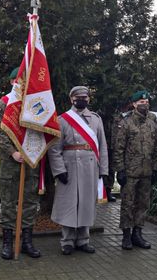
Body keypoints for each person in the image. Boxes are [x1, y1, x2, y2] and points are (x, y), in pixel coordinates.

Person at [47, 86, 109, 255]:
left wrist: (104, 170)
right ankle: (67, 240)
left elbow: (102, 146)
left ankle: (83, 240)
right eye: (78, 97)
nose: (81, 99)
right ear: (71, 99)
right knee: (69, 203)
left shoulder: (96, 120)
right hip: (69, 167)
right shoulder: (62, 120)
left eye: (85, 97)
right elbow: (54, 148)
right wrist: (59, 170)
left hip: (90, 167)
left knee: (87, 204)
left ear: (89, 99)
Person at [0, 68, 41, 260]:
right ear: (11, 82)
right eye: (16, 81)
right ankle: (7, 243)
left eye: (23, 81)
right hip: (10, 160)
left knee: (29, 201)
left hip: (30, 159)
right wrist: (12, 152)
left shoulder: (35, 104)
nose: (19, 85)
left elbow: (41, 127)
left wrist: (31, 151)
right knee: (9, 202)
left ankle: (27, 242)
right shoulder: (4, 103)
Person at [114, 90, 157, 250]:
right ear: (134, 104)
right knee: (128, 204)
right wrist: (120, 170)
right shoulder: (126, 123)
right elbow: (118, 148)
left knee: (143, 204)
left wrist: (156, 169)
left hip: (146, 172)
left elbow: (156, 147)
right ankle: (126, 236)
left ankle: (137, 234)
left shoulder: (152, 122)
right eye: (141, 102)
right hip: (130, 173)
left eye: (146, 102)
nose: (144, 104)